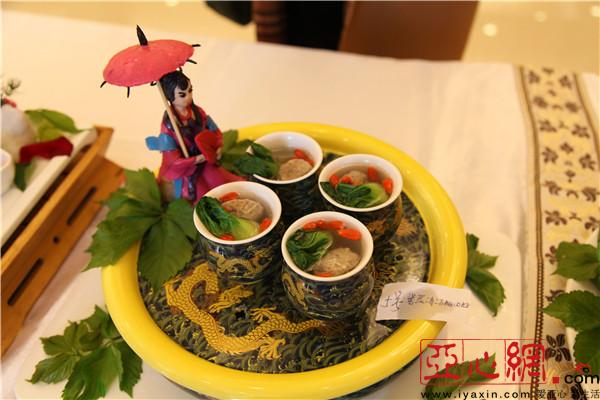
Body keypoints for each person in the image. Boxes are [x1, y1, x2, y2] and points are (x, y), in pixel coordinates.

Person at [145, 71, 243, 202]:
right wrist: (195, 159)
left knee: (224, 182)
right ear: (169, 96)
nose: (189, 97)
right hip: (188, 172)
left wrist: (217, 146)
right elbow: (172, 160)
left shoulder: (198, 112)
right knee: (203, 197)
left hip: (207, 162)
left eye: (190, 91)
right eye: (182, 95)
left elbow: (213, 130)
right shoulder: (169, 127)